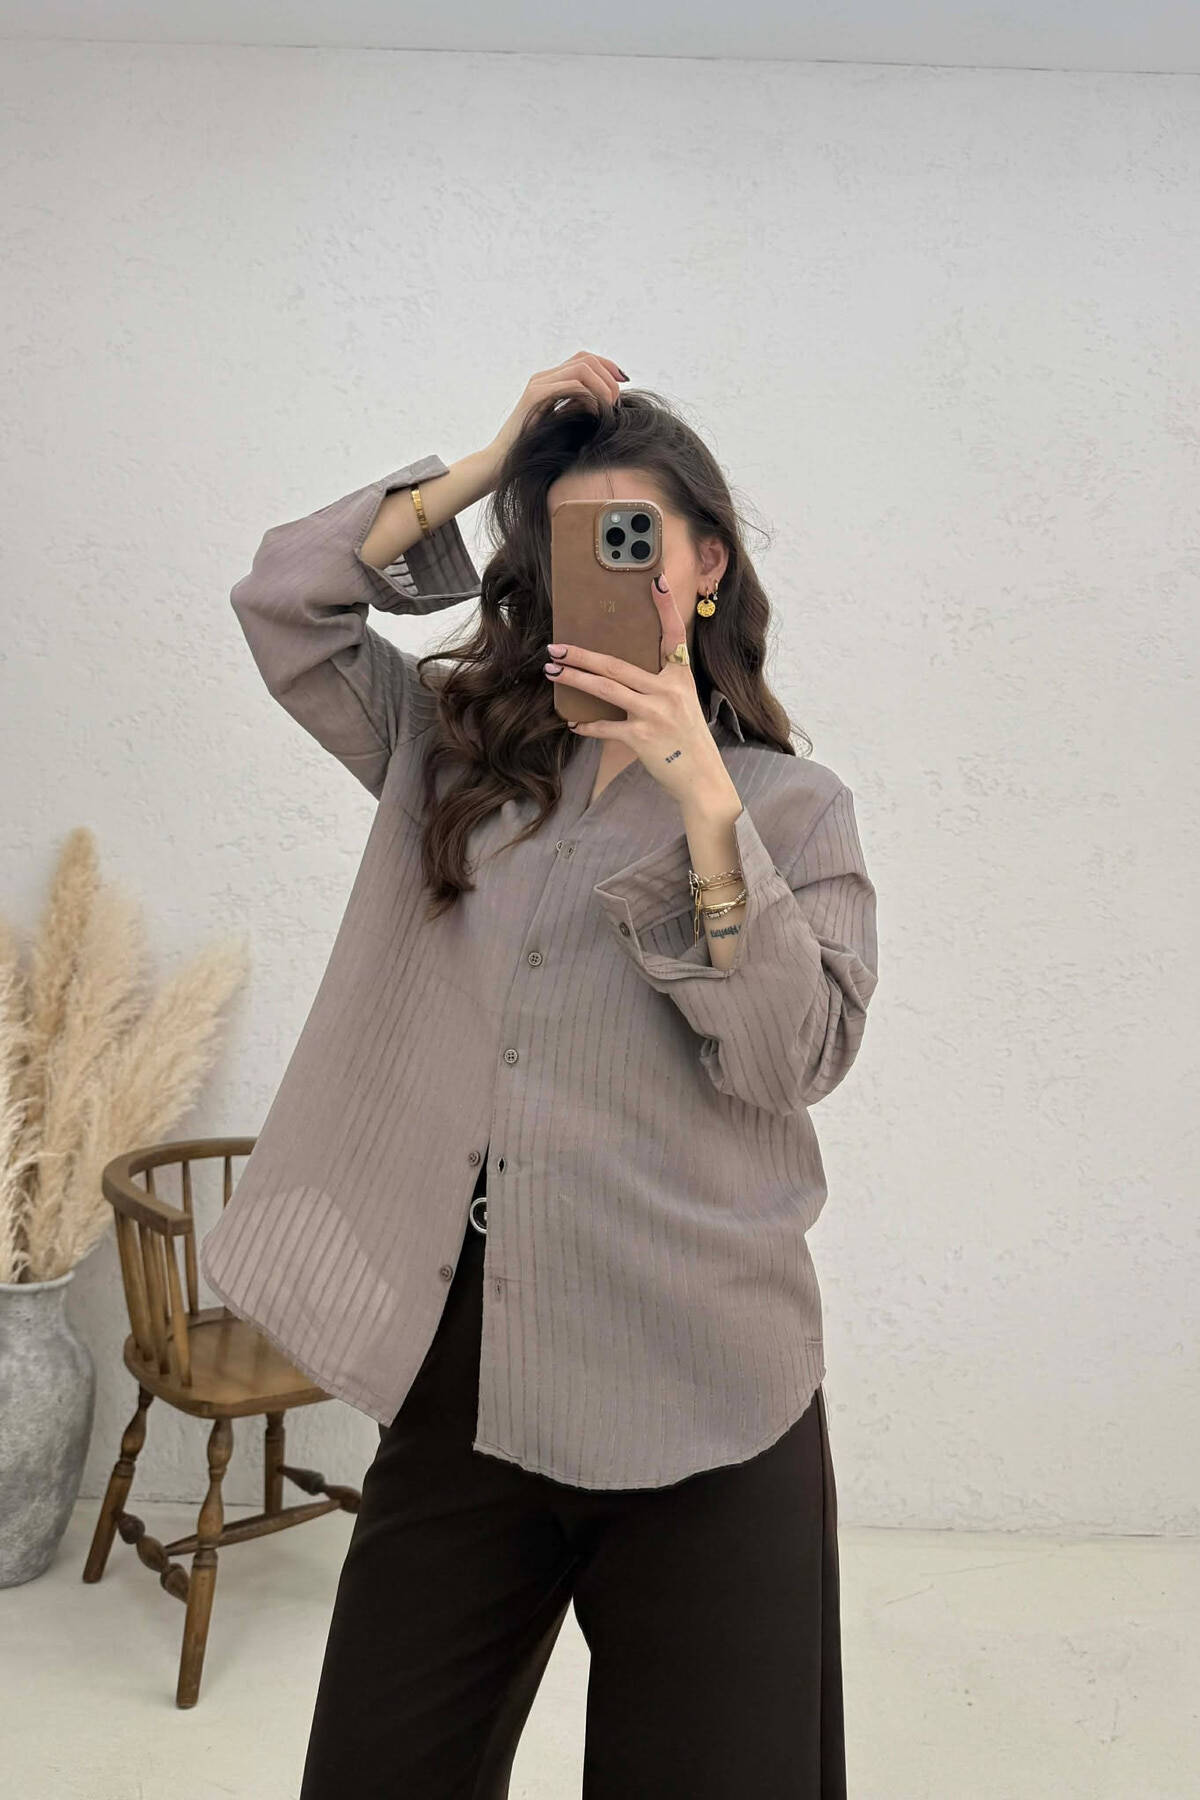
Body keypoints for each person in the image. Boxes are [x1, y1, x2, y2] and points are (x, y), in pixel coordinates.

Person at [203, 352, 878, 1797]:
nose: (609, 568)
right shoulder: (452, 756)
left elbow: (789, 1061)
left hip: (705, 1386)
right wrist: (486, 459)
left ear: (706, 564)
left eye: (637, 537)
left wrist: (705, 810)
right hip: (470, 1368)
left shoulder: (793, 809)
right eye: (575, 542)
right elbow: (285, 602)